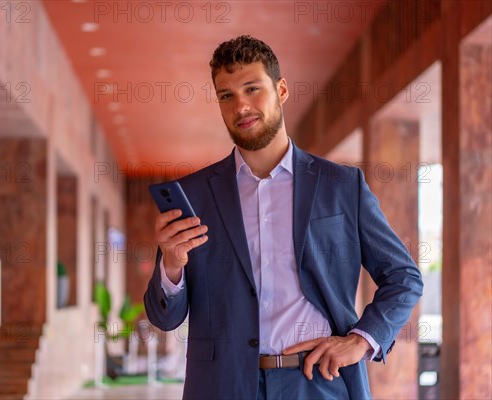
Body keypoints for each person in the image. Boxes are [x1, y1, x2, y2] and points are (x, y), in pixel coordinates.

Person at [144, 35, 423, 399]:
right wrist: (172, 266)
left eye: (252, 89)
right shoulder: (195, 195)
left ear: (282, 90)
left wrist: (360, 341)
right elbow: (164, 317)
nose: (240, 106)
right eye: (226, 95)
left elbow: (403, 277)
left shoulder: (341, 186)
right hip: (222, 387)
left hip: (320, 383)